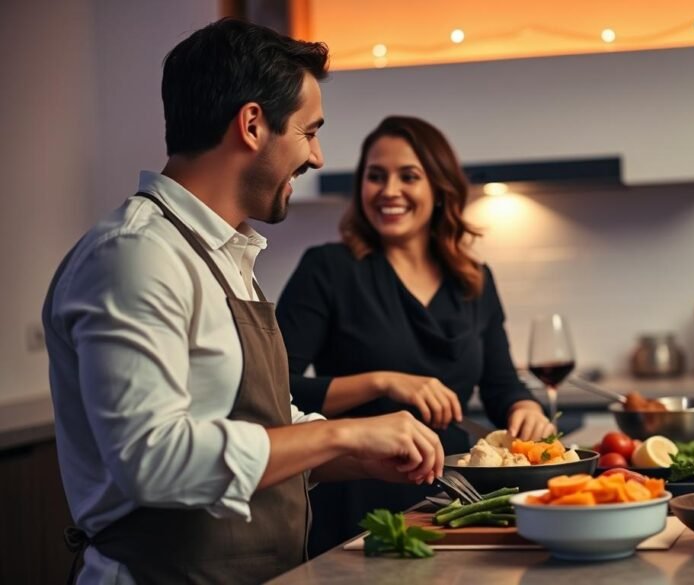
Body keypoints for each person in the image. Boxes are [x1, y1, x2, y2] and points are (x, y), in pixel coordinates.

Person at [42, 20, 444, 585]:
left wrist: (359, 456)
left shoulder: (223, 253)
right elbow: (152, 459)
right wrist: (344, 433)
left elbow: (259, 427)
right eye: (309, 132)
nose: (317, 157)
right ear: (252, 124)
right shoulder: (135, 255)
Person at [275, 115, 555, 552]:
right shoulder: (327, 269)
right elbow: (276, 390)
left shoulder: (474, 281)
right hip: (355, 502)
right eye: (375, 176)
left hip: (457, 498)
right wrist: (383, 382)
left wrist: (525, 407)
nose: (389, 190)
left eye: (408, 176)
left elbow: (501, 385)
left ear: (439, 189)